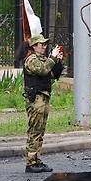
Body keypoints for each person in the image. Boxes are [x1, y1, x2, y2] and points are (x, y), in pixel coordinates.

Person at [22, 34, 64, 173]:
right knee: (35, 130)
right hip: (36, 99)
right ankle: (31, 162)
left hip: (44, 97)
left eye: (45, 44)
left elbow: (52, 75)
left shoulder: (44, 60)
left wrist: (58, 62)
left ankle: (36, 159)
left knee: (40, 130)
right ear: (34, 46)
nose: (44, 46)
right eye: (42, 44)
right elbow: (42, 70)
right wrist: (52, 58)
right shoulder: (31, 60)